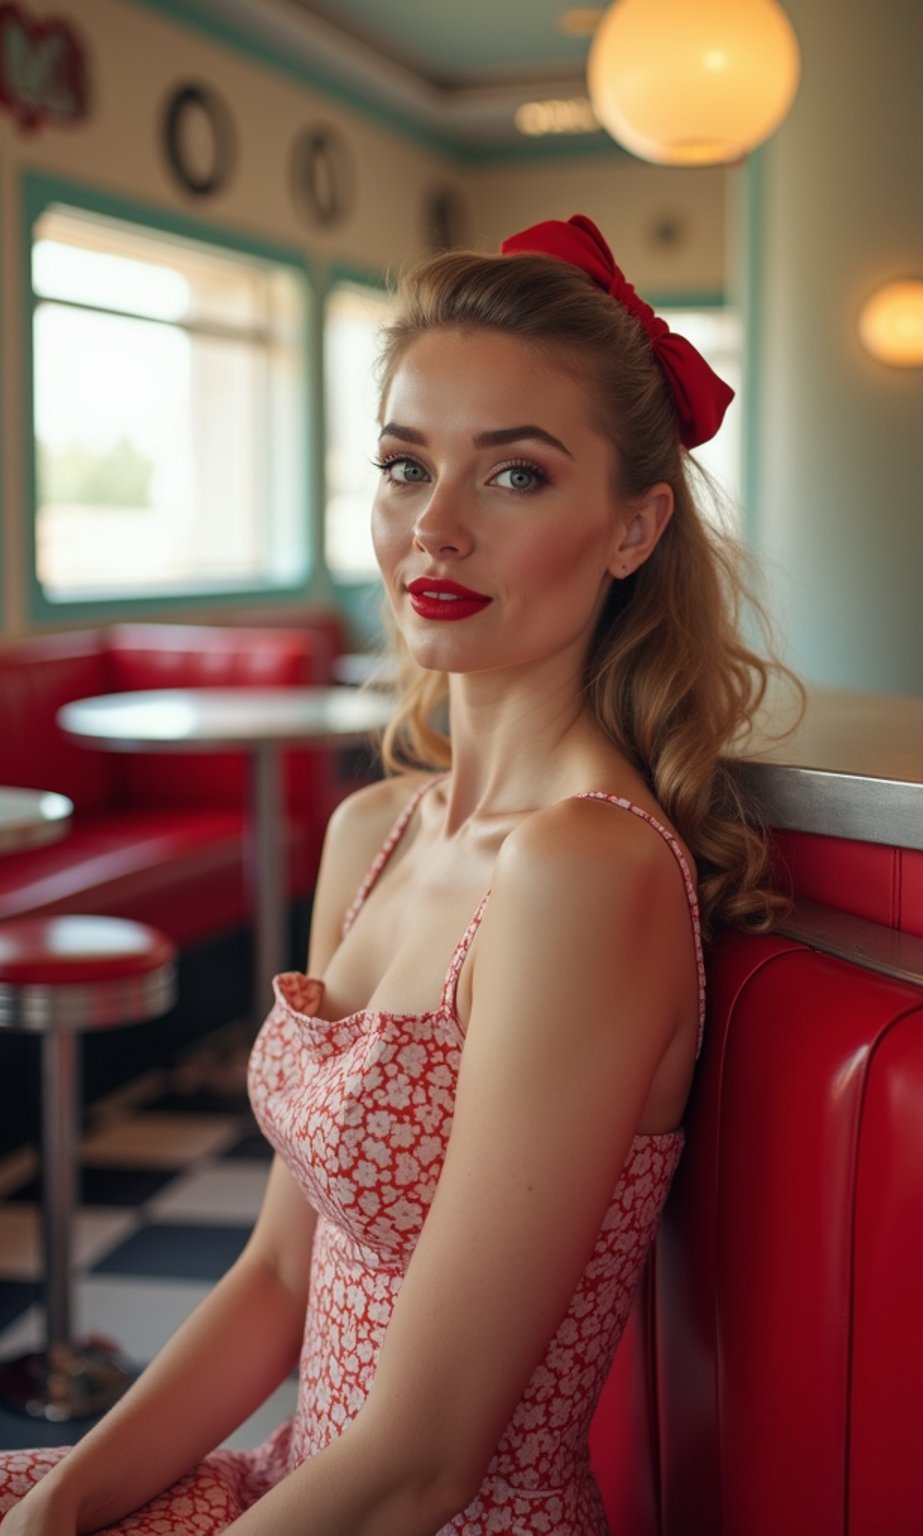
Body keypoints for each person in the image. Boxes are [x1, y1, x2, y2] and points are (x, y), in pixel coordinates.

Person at [0, 213, 789, 1535]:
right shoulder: (373, 835)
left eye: (516, 476)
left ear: (634, 528)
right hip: (298, 1488)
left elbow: (424, 1459)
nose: (437, 526)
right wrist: (65, 1503)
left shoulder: (586, 871)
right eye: (403, 464)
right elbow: (274, 1276)